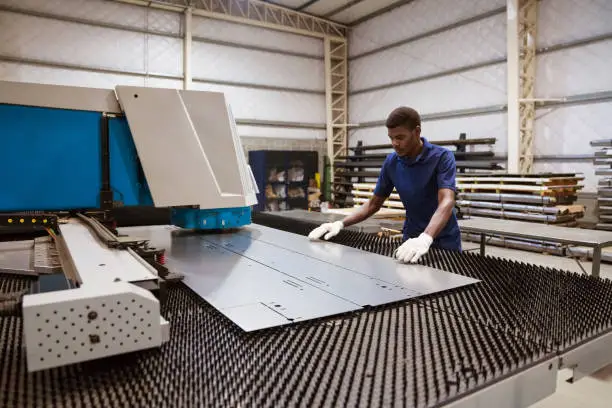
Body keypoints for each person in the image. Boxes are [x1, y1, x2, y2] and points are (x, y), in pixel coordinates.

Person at [308, 106, 461, 263]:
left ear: (417, 132)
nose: (394, 143)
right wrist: (340, 223)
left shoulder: (442, 157)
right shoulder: (392, 162)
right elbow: (373, 204)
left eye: (400, 137)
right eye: (391, 138)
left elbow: (447, 201)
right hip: (411, 239)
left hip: (444, 239)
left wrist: (426, 238)